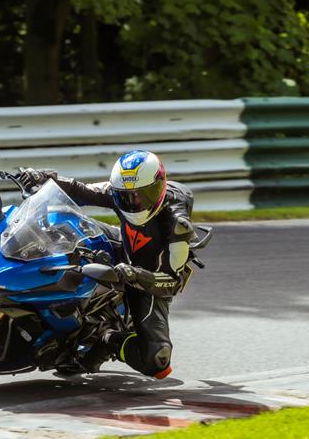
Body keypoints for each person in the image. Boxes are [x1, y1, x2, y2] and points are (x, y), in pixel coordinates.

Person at [17, 150, 196, 379]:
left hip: (150, 277)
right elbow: (81, 191)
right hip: (122, 244)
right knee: (60, 220)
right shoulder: (117, 192)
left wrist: (135, 275)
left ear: (160, 187)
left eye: (142, 195)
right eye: (126, 196)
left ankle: (106, 340)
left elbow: (172, 280)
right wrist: (45, 178)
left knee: (156, 359)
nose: (134, 202)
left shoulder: (177, 224)